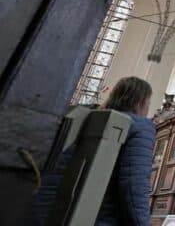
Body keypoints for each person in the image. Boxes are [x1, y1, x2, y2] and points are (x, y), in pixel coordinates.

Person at [33, 76, 156, 226]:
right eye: (148, 102)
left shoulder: (80, 118)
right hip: (95, 217)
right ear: (141, 102)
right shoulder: (140, 125)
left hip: (46, 212)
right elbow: (134, 184)